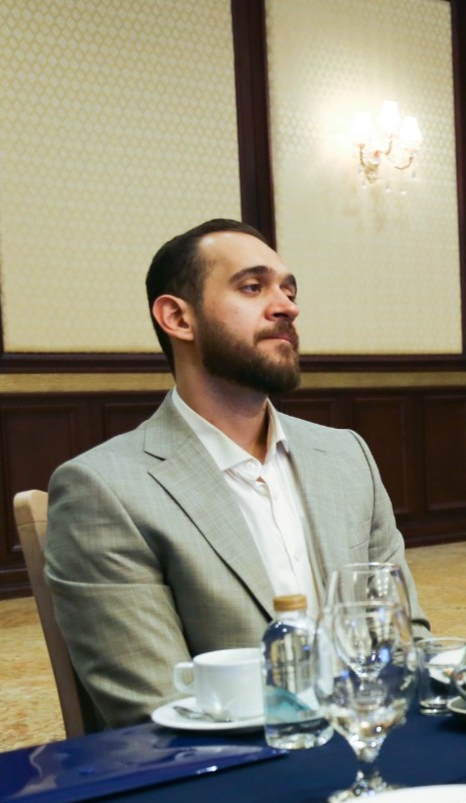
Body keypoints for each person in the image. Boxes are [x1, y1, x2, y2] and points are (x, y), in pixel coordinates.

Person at [44, 219, 427, 728]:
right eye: (252, 287)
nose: (287, 307)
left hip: (379, 742)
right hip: (238, 765)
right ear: (178, 317)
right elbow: (158, 708)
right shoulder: (104, 490)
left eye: (289, 291)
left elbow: (407, 644)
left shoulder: (346, 456)